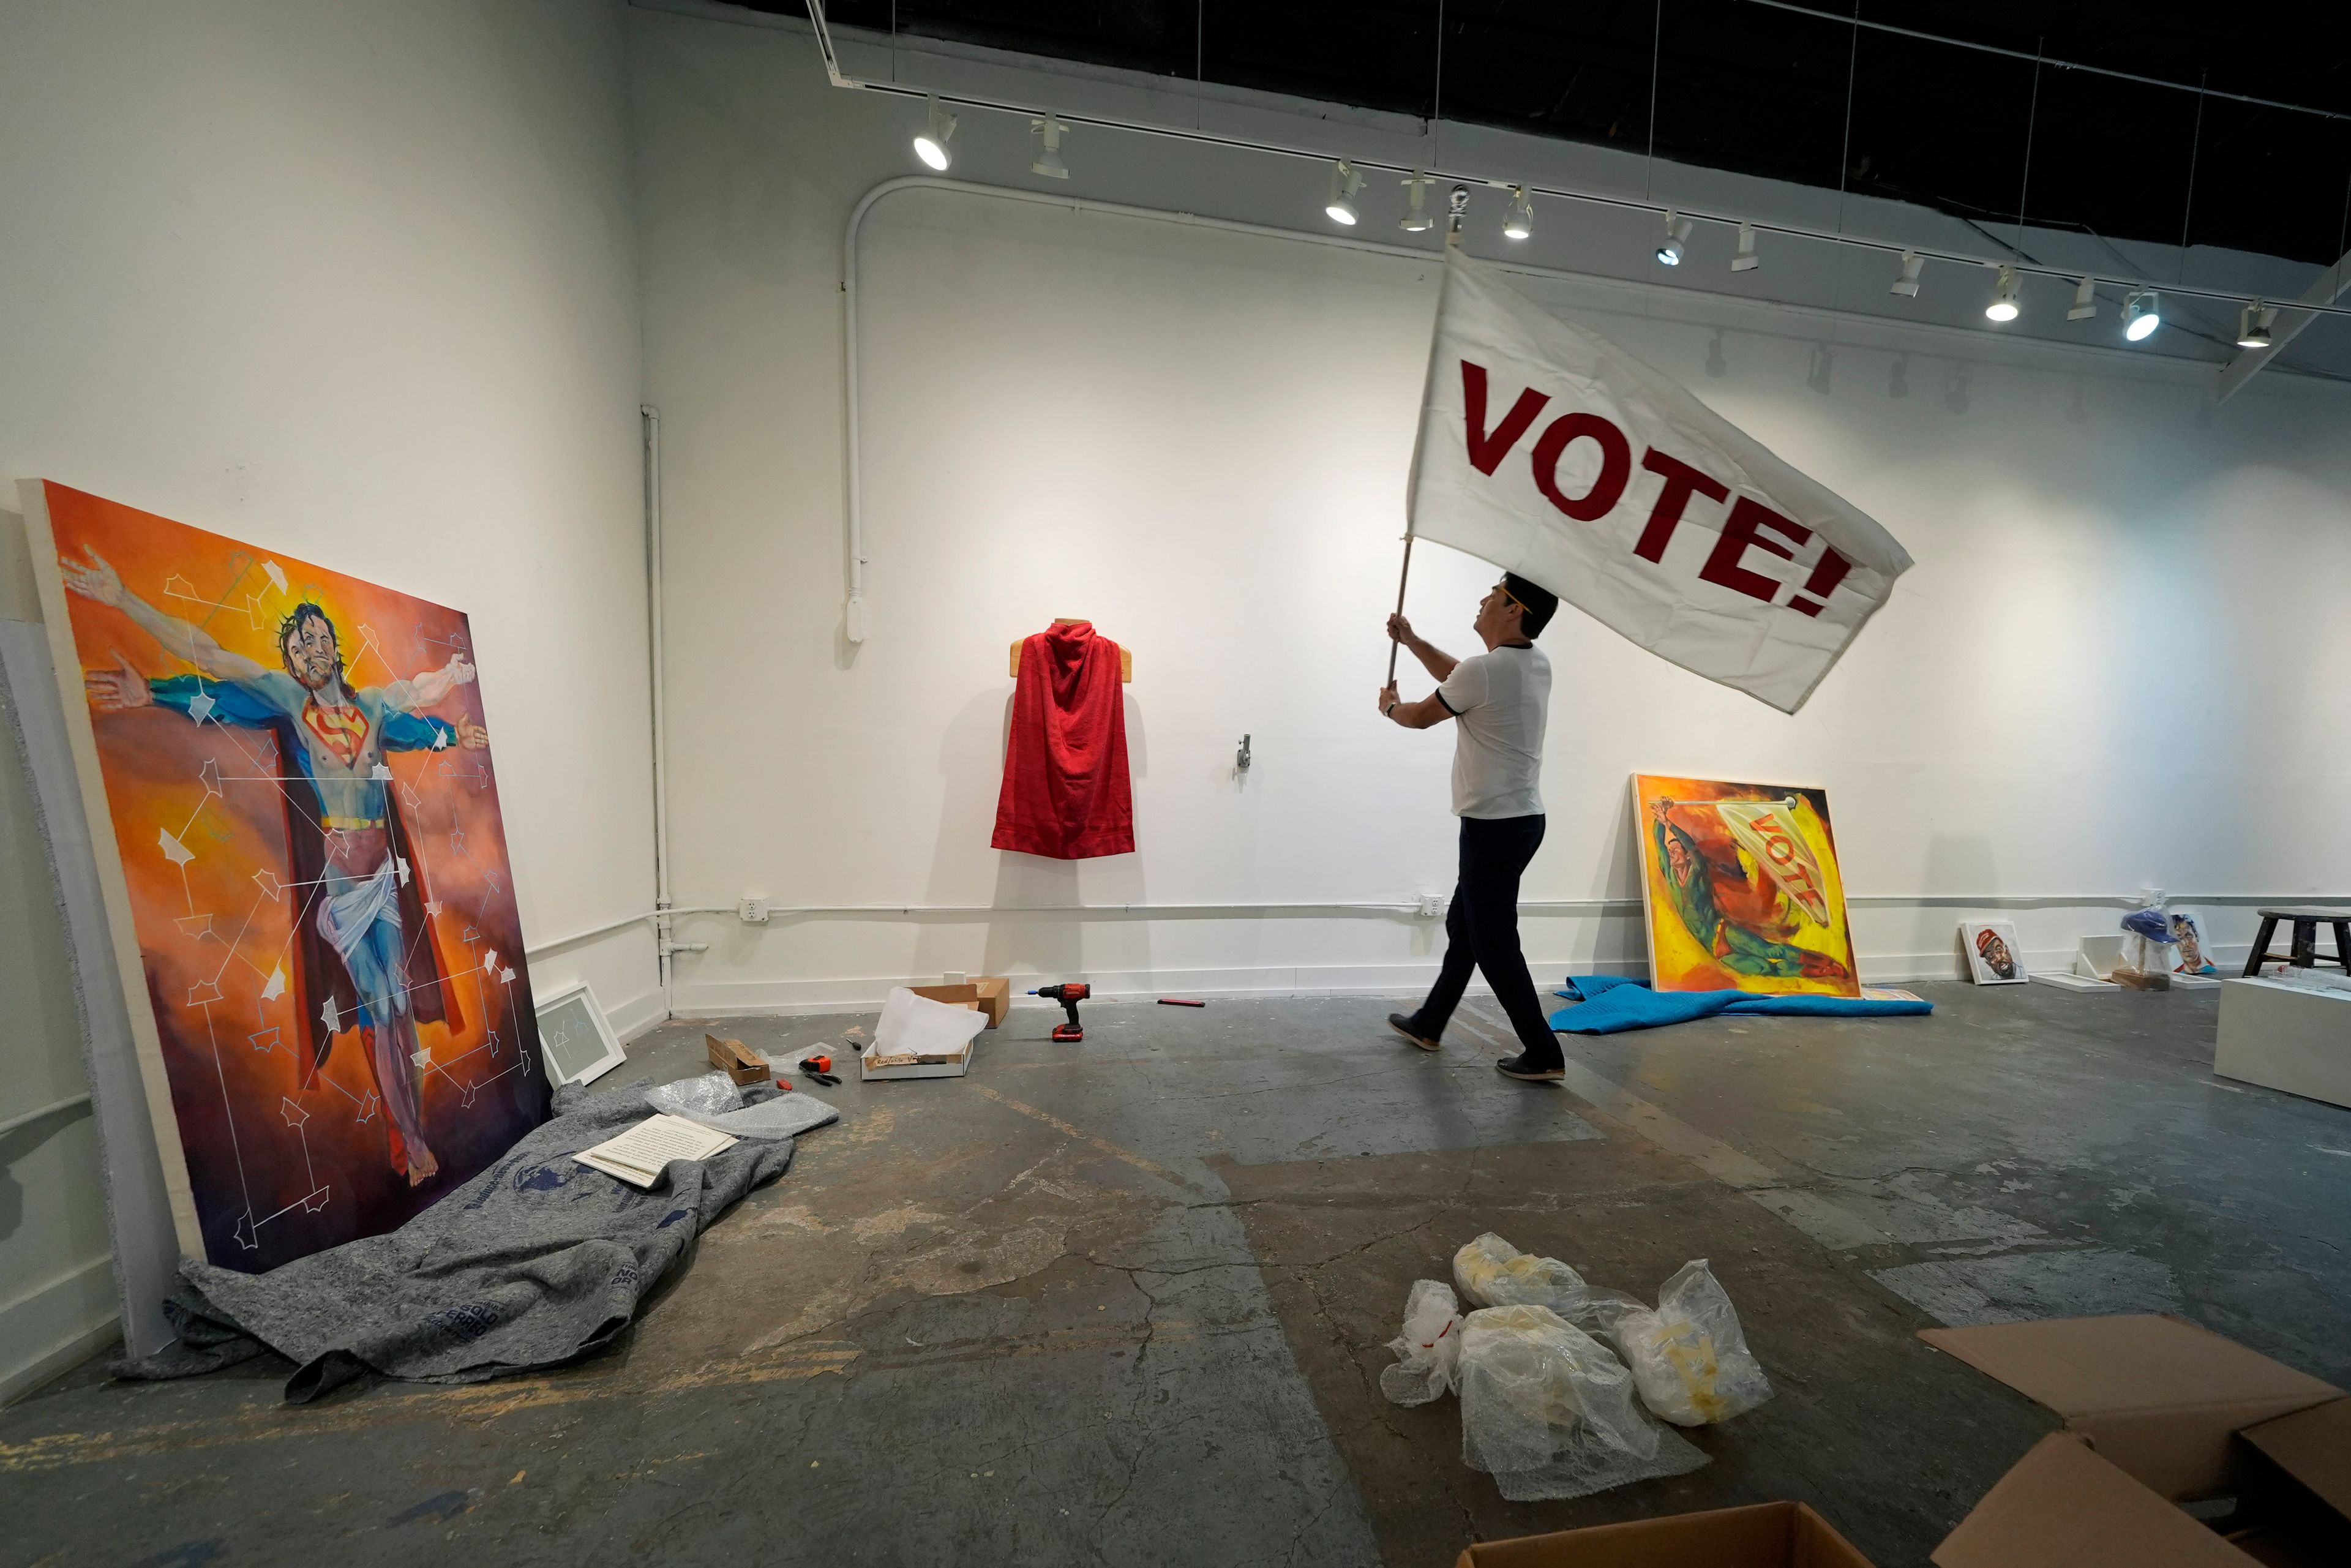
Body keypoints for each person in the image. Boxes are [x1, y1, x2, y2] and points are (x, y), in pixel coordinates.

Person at [64, 547, 486, 1187]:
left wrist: (453, 682)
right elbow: (208, 655)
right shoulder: (289, 699)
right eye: (300, 643)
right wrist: (127, 610)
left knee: (398, 1007)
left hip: (383, 882)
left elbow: (416, 693)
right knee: (379, 1002)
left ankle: (407, 1130)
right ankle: (416, 1143)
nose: (312, 647)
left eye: (320, 636)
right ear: (291, 660)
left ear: (335, 647)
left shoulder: (371, 706)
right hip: (343, 892)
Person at [1379, 573, 1563, 1082]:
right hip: (1521, 821)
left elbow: (1419, 716)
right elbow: (1463, 675)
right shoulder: (1530, 663)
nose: (1483, 600)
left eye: (1495, 596)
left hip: (1494, 827)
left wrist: (1391, 707)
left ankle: (1544, 1051)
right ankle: (1429, 1022)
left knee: (1494, 940)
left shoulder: (1487, 671)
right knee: (1468, 926)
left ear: (1513, 611)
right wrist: (1413, 641)